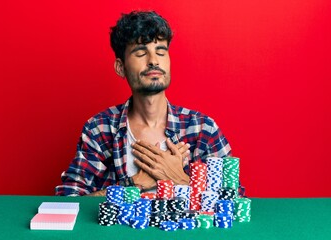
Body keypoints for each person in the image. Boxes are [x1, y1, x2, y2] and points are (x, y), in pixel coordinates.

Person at [55, 10, 231, 196]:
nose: (153, 61)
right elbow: (69, 200)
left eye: (161, 52)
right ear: (120, 67)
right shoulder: (100, 129)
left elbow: (234, 201)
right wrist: (134, 183)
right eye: (141, 53)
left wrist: (179, 179)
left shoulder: (202, 129)